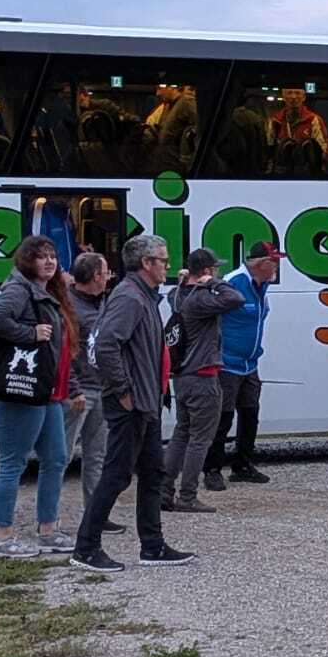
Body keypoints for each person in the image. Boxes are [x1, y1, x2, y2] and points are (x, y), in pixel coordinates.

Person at [71, 234, 197, 571]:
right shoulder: (129, 297)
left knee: (153, 474)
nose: (167, 266)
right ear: (146, 263)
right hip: (132, 403)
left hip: (145, 402)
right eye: (163, 260)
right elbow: (105, 345)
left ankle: (153, 547)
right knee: (116, 475)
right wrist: (123, 391)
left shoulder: (143, 297)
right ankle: (86, 548)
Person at [0, 236, 83, 559]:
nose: (49, 261)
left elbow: (60, 350)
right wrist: (30, 333)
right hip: (21, 392)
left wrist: (72, 386)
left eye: (52, 255)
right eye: (41, 256)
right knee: (13, 462)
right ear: (27, 261)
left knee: (56, 458)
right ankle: (3, 537)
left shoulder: (47, 291)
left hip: (46, 392)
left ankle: (48, 530)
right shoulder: (18, 290)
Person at [162, 248, 245, 512]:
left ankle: (164, 491)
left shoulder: (178, 295)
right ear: (207, 271)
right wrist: (213, 283)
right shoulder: (201, 299)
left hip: (182, 376)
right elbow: (236, 298)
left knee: (181, 434)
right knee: (200, 439)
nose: (218, 272)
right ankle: (187, 496)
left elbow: (173, 293)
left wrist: (188, 280)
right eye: (215, 269)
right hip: (203, 375)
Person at [208, 241, 284, 488]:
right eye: (274, 261)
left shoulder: (262, 285)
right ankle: (212, 469)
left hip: (250, 362)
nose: (277, 266)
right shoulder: (234, 282)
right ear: (262, 263)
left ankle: (242, 464)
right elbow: (210, 316)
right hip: (227, 362)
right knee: (223, 417)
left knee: (250, 413)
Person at [64, 252, 123, 535]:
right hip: (78, 390)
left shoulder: (104, 302)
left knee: (97, 455)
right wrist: (72, 388)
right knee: (61, 456)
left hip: (101, 387)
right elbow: (64, 352)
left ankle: (96, 515)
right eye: (106, 272)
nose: (109, 277)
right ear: (96, 276)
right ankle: (48, 520)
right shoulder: (67, 306)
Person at [267, 86, 328, 172]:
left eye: (297, 93)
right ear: (284, 97)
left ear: (304, 97)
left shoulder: (313, 120)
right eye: (289, 93)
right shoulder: (275, 120)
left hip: (307, 173)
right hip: (282, 173)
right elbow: (268, 149)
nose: (293, 97)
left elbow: (325, 150)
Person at [151, 83, 198, 173]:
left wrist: (186, 153)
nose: (158, 93)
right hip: (164, 162)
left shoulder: (186, 102)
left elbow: (199, 127)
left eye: (160, 88)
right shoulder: (168, 106)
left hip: (176, 164)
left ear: (172, 87)